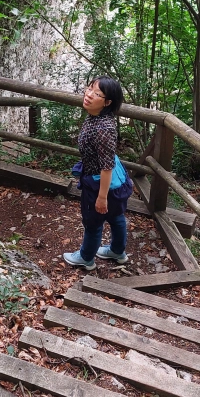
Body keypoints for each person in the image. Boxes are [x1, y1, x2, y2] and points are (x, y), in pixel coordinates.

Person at [63, 76, 133, 271]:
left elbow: (106, 166)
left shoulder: (103, 128)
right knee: (116, 215)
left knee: (94, 221)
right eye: (89, 89)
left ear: (107, 102)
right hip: (112, 179)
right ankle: (117, 252)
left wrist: (101, 197)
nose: (89, 95)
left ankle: (86, 257)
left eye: (97, 94)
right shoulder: (97, 117)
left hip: (101, 181)